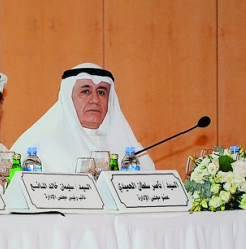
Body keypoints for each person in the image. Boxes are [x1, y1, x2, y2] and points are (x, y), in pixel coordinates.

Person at [12, 63, 154, 172]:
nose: (95, 100)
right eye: (86, 91)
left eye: (101, 92)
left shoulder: (128, 148)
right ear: (68, 98)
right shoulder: (42, 145)